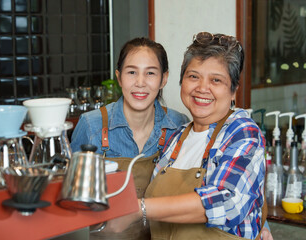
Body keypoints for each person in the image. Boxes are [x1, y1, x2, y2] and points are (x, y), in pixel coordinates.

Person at [102, 32, 271, 240]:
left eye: (216, 80)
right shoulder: (177, 137)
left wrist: (138, 208)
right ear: (181, 81)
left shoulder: (242, 132)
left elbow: (227, 202)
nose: (202, 88)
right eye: (193, 76)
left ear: (234, 90)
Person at [70, 37, 188, 239]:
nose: (140, 83)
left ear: (164, 78)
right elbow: (71, 199)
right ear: (119, 77)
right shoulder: (92, 125)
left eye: (150, 73)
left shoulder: (178, 125)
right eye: (131, 72)